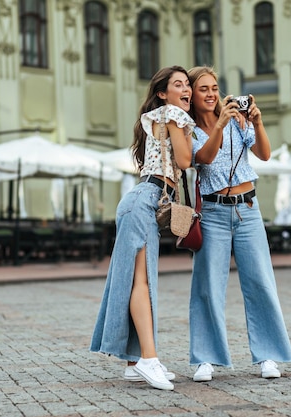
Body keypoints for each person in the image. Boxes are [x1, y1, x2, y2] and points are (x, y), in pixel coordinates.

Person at [187, 66, 291, 382]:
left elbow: (263, 153)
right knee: (208, 286)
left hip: (247, 210)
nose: (210, 94)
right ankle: (206, 358)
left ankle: (268, 356)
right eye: (203, 89)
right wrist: (219, 125)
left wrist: (257, 122)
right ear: (193, 94)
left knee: (260, 281)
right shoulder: (189, 129)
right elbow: (204, 158)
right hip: (213, 213)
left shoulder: (237, 121)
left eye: (214, 88)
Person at [90, 66, 194, 391]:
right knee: (141, 281)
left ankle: (136, 362)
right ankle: (149, 358)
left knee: (140, 280)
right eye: (178, 84)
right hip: (144, 200)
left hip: (144, 201)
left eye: (187, 83)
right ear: (162, 93)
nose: (186, 89)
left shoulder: (163, 116)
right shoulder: (171, 115)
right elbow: (187, 160)